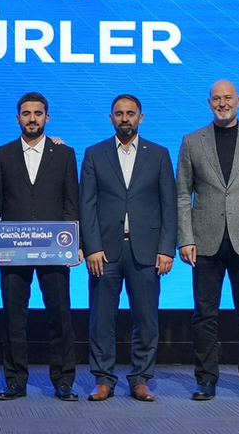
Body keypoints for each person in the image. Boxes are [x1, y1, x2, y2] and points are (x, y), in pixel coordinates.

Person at [176, 80, 239, 402]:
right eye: (216, 99)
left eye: (228, 98)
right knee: (204, 315)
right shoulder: (192, 141)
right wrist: (185, 238)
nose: (223, 103)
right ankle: (206, 379)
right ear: (209, 103)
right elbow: (182, 194)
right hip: (204, 242)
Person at [0, 92, 81, 402]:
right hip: (13, 248)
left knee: (60, 316)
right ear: (17, 118)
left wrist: (75, 244)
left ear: (47, 118)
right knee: (13, 318)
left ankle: (63, 381)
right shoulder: (2, 154)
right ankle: (15, 381)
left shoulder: (64, 154)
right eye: (26, 113)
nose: (32, 118)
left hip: (55, 248)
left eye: (38, 113)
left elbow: (72, 202)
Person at [80, 94, 176, 403]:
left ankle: (141, 379)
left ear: (140, 117)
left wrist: (167, 248)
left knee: (146, 319)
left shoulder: (159, 154)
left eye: (130, 113)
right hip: (104, 252)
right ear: (111, 118)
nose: (125, 118)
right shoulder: (94, 154)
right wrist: (91, 247)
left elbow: (169, 205)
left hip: (146, 250)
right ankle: (103, 379)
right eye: (119, 113)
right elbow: (87, 205)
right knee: (101, 320)